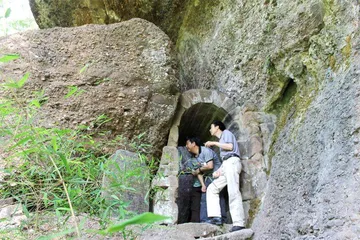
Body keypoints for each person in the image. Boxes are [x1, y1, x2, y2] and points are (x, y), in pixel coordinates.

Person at [205, 120, 246, 232]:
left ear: (217, 127)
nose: (210, 129)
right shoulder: (221, 139)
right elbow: (225, 159)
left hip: (232, 162)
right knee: (212, 188)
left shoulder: (226, 133)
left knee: (233, 191)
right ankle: (216, 217)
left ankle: (239, 223)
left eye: (211, 127)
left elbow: (230, 147)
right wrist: (219, 171)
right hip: (227, 164)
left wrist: (214, 143)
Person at [185, 136, 226, 223]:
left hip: (217, 175)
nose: (186, 146)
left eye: (187, 143)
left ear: (193, 144)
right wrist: (203, 185)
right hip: (207, 178)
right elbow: (198, 172)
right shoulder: (194, 158)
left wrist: (198, 170)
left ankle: (222, 219)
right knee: (204, 198)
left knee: (219, 196)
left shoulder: (205, 151)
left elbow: (210, 166)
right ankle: (205, 220)